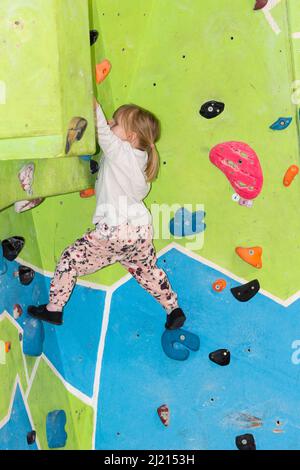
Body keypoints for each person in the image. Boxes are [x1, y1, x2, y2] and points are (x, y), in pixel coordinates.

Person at [27, 98, 186, 330]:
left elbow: (105, 136)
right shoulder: (138, 164)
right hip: (140, 233)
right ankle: (173, 309)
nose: (111, 122)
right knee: (147, 270)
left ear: (131, 137)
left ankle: (54, 308)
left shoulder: (123, 153)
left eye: (116, 122)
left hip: (115, 229)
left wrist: (95, 108)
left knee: (70, 260)